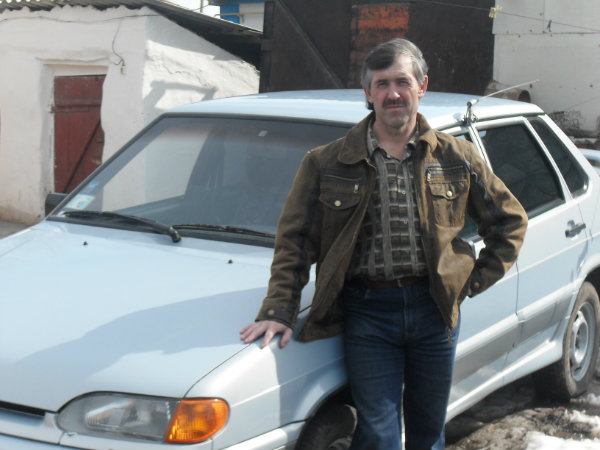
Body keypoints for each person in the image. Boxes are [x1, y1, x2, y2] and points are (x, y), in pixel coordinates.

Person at [240, 38, 528, 450]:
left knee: (428, 431)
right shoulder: (325, 163)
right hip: (368, 314)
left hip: (434, 311)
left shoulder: (457, 156)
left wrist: (469, 282)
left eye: (402, 81)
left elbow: (510, 221)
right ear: (368, 93)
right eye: (382, 84)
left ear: (421, 86)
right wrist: (279, 310)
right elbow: (295, 242)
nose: (393, 93)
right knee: (378, 433)